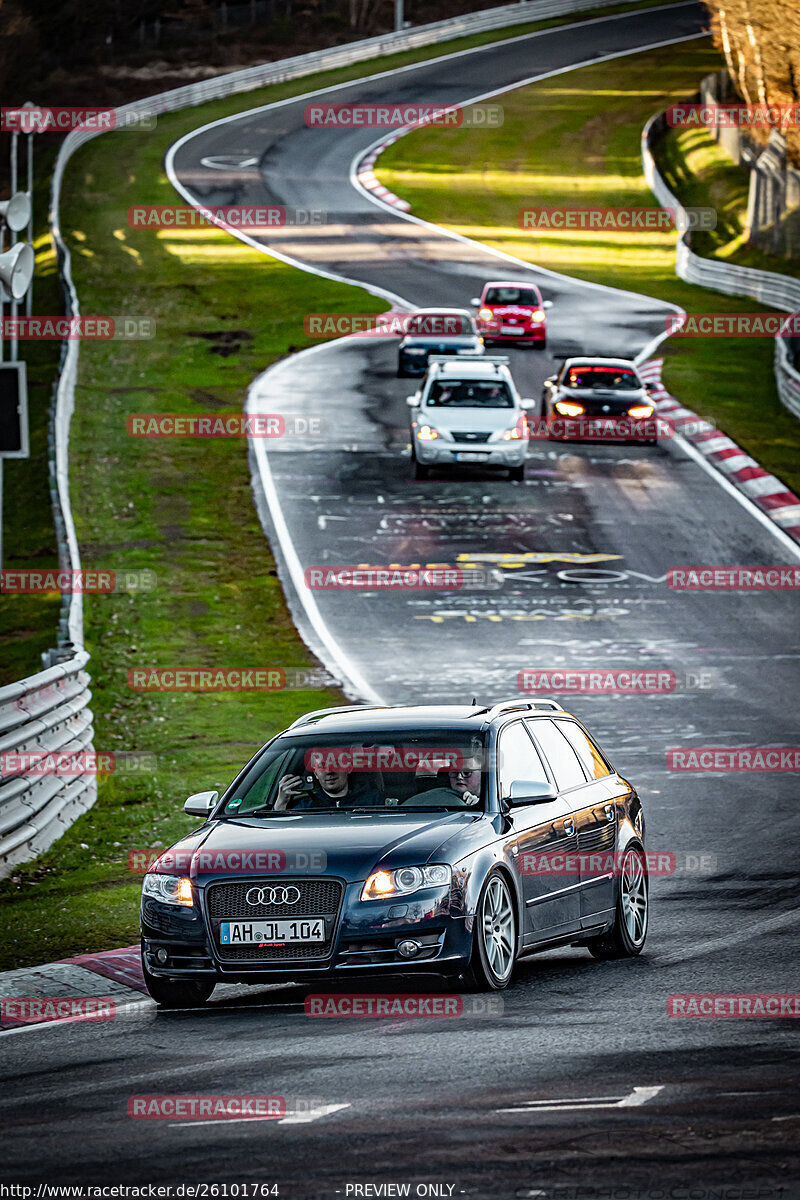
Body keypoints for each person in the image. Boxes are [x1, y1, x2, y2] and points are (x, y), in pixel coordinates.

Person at [274, 760, 383, 810]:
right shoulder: (305, 807)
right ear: (315, 773)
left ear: (348, 768)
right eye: (322, 766)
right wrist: (281, 802)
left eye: (335, 763)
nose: (329, 771)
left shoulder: (373, 801)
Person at [401, 751, 483, 808]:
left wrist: (479, 805)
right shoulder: (436, 798)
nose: (459, 777)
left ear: (482, 774)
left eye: (466, 772)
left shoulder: (493, 802)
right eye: (454, 772)